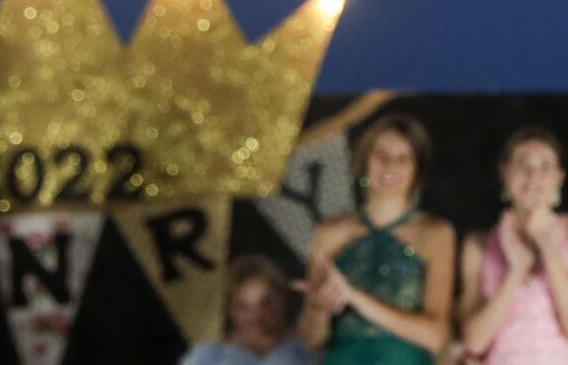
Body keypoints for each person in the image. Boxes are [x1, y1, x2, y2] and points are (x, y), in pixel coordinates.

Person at [298, 114, 455, 364]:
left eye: (403, 159)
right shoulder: (330, 233)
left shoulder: (435, 233)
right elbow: (311, 340)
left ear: (417, 170)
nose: (390, 167)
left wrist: (355, 298)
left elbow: (435, 336)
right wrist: (318, 309)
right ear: (364, 161)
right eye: (381, 156)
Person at [457, 127, 568, 363]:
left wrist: (551, 254)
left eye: (545, 167)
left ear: (559, 177)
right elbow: (474, 341)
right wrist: (515, 272)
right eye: (522, 164)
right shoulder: (479, 243)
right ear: (503, 172)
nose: (533, 176)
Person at [181, 255, 315, 365]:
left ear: (282, 298)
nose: (256, 315)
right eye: (243, 307)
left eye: (266, 303)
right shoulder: (208, 356)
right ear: (230, 309)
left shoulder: (310, 343)